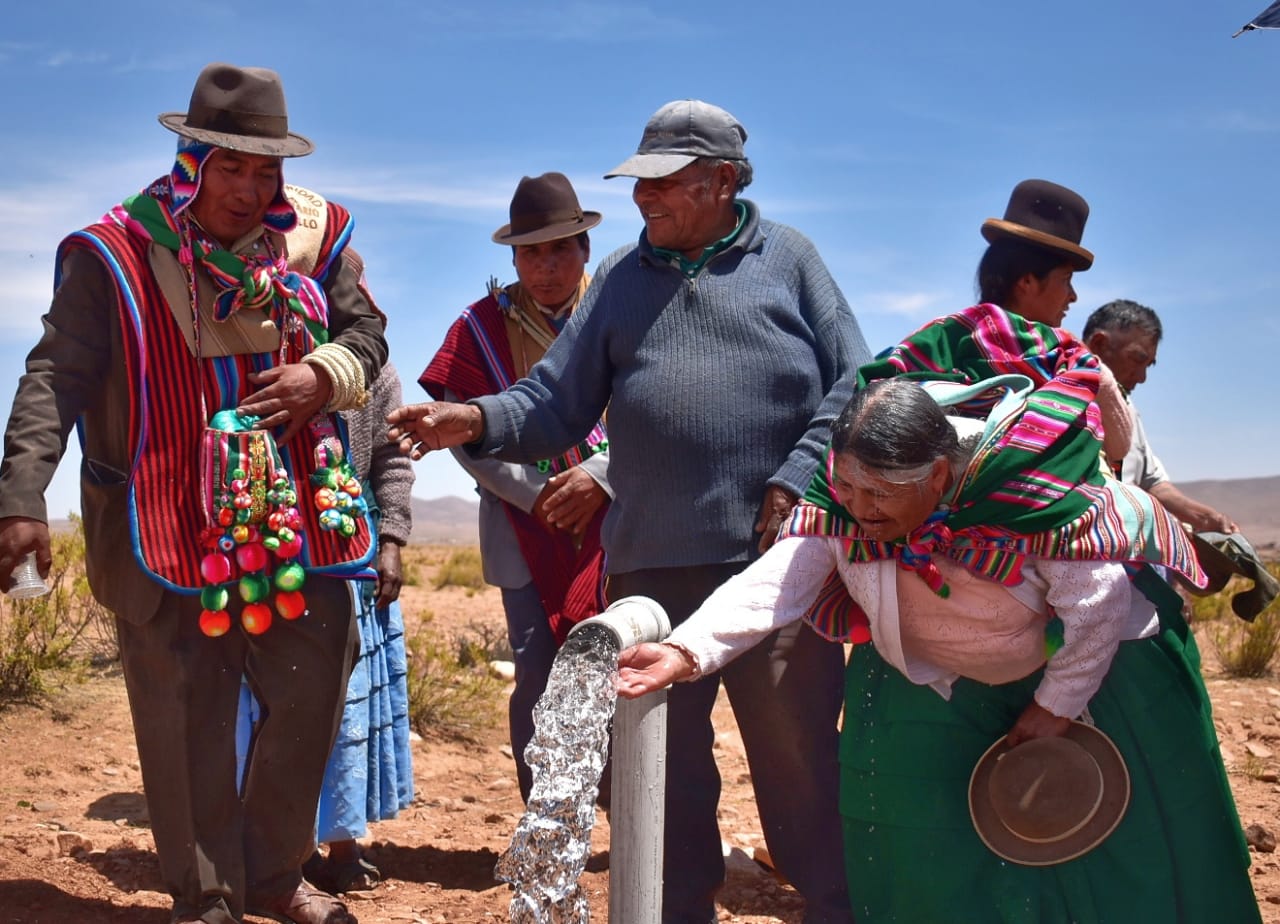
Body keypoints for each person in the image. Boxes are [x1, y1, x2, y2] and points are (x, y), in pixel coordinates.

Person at [390, 99, 868, 924]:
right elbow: (553, 402)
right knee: (662, 778)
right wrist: (471, 418)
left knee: (799, 769)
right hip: (653, 575)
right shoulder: (617, 276)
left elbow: (856, 384)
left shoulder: (790, 260)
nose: (646, 200)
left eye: (666, 184)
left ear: (723, 182)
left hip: (776, 570)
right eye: (639, 184)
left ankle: (836, 907)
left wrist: (797, 474)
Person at [616, 378, 1261, 923]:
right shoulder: (844, 506)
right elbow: (776, 583)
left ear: (943, 475)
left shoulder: (1029, 502)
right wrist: (684, 651)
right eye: (848, 490)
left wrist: (1057, 706)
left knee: (1095, 844)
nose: (861, 512)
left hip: (1081, 669)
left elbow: (1097, 605)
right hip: (938, 679)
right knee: (929, 848)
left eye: (881, 494)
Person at [0, 63, 387, 924]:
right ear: (190, 161)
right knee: (186, 710)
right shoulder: (115, 254)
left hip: (290, 516)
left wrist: (322, 376)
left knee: (312, 680)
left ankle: (274, 874)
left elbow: (367, 333)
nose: (251, 191)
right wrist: (22, 495)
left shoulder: (313, 243)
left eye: (267, 169)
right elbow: (54, 374)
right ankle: (206, 893)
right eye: (232, 166)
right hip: (161, 511)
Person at [418, 173, 611, 803]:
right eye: (531, 252)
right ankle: (545, 816)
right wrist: (540, 497)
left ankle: (623, 817)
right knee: (536, 672)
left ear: (585, 249)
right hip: (521, 530)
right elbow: (466, 435)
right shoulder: (479, 329)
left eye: (560, 250)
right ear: (512, 258)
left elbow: (655, 409)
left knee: (618, 669)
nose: (546, 267)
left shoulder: (617, 313)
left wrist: (602, 479)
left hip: (621, 522)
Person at [237, 243, 415, 896]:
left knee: (349, 706)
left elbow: (395, 456)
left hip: (352, 546)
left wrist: (392, 536)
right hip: (272, 548)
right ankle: (267, 850)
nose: (354, 296)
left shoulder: (378, 370)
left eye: (357, 284)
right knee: (273, 703)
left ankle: (342, 844)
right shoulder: (266, 364)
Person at [1083, 299, 1238, 533]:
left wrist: (1206, 518)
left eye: (1149, 365)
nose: (1142, 377)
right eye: (1137, 359)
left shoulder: (1127, 411)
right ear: (1099, 344)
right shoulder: (1058, 400)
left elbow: (1153, 482)